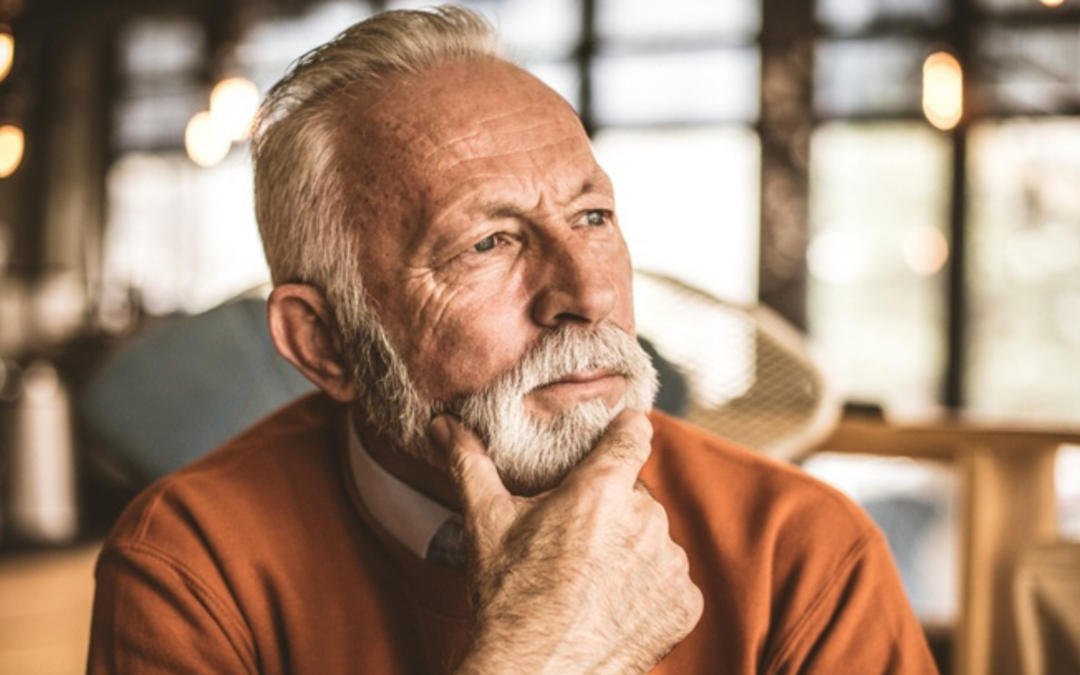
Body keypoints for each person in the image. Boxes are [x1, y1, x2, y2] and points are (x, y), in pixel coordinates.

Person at [86, 6, 939, 674]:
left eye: (593, 217)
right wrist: (542, 654)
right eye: (487, 242)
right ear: (324, 345)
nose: (591, 293)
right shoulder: (193, 565)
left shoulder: (799, 549)